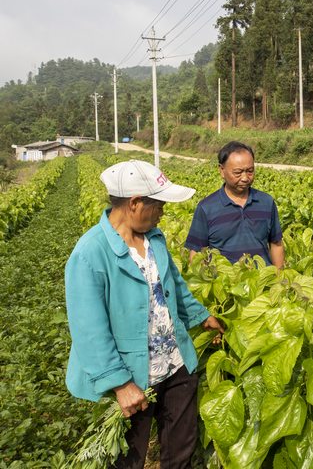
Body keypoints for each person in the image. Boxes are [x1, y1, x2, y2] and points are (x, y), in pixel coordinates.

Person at [65, 160, 224, 468]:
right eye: (159, 205)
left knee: (180, 450)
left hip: (175, 363)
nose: (163, 212)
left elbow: (173, 285)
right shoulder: (90, 253)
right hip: (133, 374)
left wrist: (203, 317)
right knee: (128, 458)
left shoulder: (154, 239)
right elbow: (89, 330)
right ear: (135, 203)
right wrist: (121, 385)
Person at [185, 141, 284, 267]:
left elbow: (276, 244)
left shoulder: (266, 202)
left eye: (250, 171)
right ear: (222, 170)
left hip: (262, 284)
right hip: (226, 284)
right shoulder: (206, 208)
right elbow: (197, 254)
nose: (245, 178)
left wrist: (278, 278)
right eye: (237, 172)